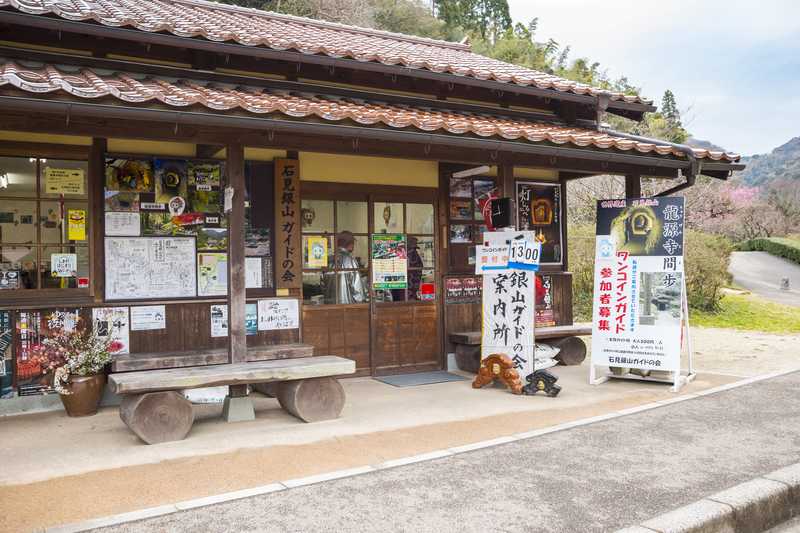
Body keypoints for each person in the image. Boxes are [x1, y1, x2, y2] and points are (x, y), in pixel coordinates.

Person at [324, 231, 367, 304]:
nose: (353, 246)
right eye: (353, 243)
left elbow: (323, 284)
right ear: (350, 244)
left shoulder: (328, 259)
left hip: (329, 305)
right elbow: (357, 289)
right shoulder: (351, 260)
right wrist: (363, 302)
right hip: (347, 306)